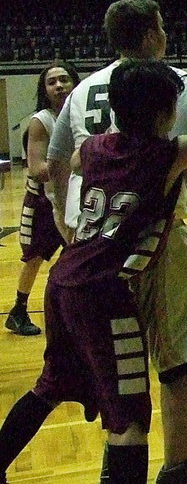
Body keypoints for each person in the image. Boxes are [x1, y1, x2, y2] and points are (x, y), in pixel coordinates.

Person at [0, 48, 187, 484]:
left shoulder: (91, 148)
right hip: (104, 294)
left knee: (51, 383)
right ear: (167, 112)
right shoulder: (165, 154)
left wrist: (63, 210)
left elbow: (65, 163)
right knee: (129, 416)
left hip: (63, 281)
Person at [46, 0, 187, 481]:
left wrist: (66, 220)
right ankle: (179, 466)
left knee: (120, 365)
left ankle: (118, 466)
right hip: (156, 238)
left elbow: (56, 160)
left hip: (94, 243)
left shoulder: (84, 85)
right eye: (163, 27)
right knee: (183, 349)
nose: (166, 35)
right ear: (151, 35)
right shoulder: (170, 81)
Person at [5, 61, 80, 336]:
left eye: (64, 80)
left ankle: (72, 308)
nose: (59, 85)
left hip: (74, 199)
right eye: (52, 82)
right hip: (43, 203)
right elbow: (38, 171)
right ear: (45, 90)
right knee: (34, 258)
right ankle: (18, 311)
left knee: (78, 255)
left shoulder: (83, 115)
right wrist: (78, 160)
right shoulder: (41, 121)